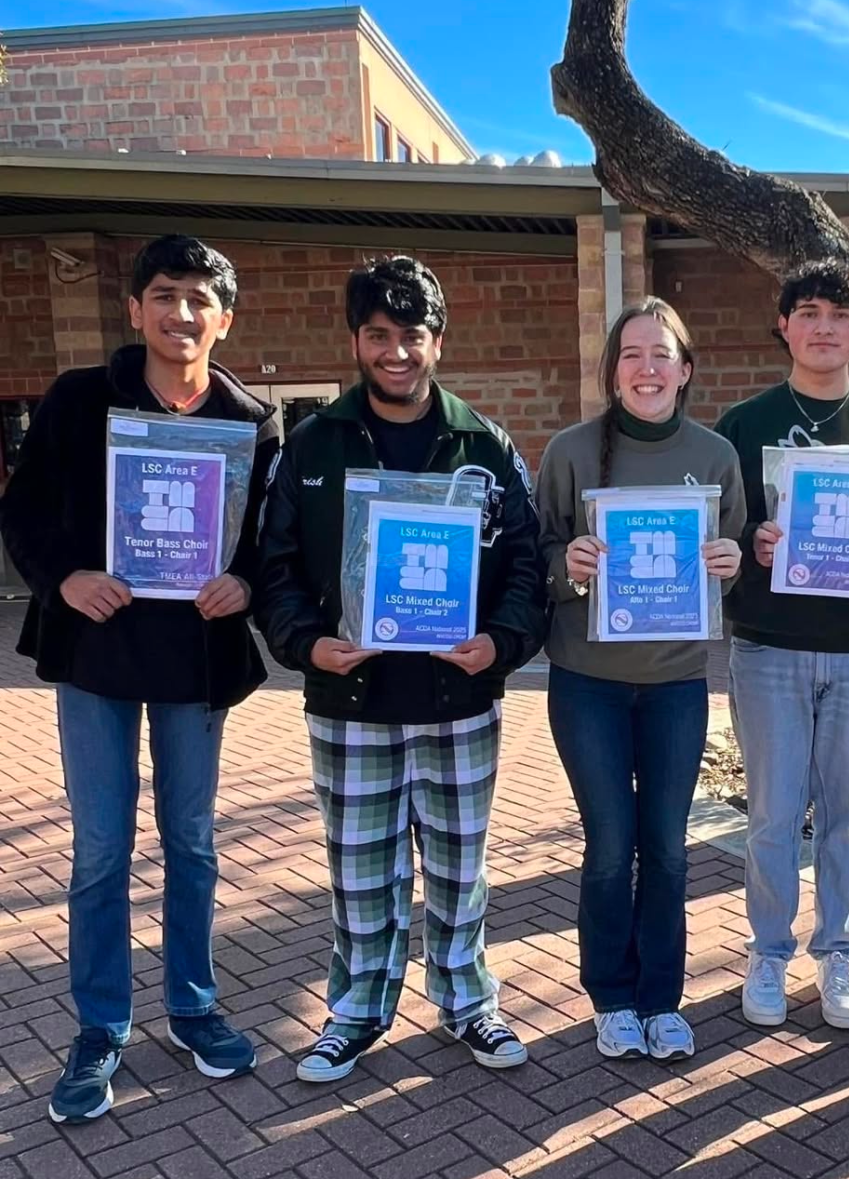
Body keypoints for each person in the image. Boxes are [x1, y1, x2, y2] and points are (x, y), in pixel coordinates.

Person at [0, 235, 279, 1123]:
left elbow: (276, 541)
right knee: (100, 851)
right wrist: (64, 577)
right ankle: (100, 1025)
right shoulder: (81, 400)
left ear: (224, 319)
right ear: (135, 309)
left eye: (200, 299)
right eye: (165, 294)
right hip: (98, 652)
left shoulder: (254, 419)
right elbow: (23, 510)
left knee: (192, 844)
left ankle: (193, 1007)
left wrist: (247, 583)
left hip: (195, 658)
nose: (181, 313)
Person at [255, 255, 545, 1081]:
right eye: (378, 335)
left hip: (459, 694)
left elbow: (526, 564)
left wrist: (501, 643)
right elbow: (274, 566)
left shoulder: (483, 443)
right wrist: (306, 644)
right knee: (359, 868)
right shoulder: (314, 443)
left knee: (459, 864)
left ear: (437, 341)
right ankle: (357, 1007)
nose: (395, 352)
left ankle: (467, 1001)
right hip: (351, 697)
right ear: (355, 340)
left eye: (411, 335)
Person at [714, 260, 849, 1031]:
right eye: (809, 311)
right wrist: (752, 542)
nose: (825, 326)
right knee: (772, 814)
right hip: (769, 645)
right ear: (784, 325)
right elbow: (718, 539)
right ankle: (768, 950)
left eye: (841, 312)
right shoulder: (743, 425)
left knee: (848, 815)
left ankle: (840, 951)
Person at [536, 299, 746, 1061]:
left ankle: (661, 998)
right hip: (586, 681)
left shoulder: (715, 457)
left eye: (662, 354)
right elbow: (536, 560)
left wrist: (732, 561)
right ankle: (611, 997)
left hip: (675, 684)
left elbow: (735, 560)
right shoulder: (568, 450)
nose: (647, 368)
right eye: (632, 354)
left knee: (665, 848)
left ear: (685, 370)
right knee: (608, 845)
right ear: (613, 369)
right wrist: (569, 567)